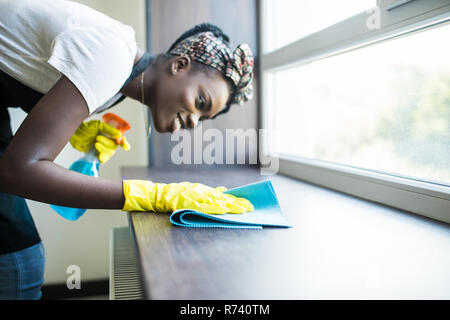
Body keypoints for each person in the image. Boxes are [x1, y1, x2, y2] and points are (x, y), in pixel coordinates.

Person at [0, 0, 254, 299]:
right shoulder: (111, 57)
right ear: (180, 64)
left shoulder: (118, 83)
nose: (194, 122)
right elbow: (17, 170)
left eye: (203, 119)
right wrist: (152, 196)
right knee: (22, 262)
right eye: (201, 103)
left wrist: (73, 130)